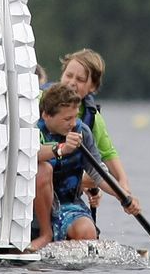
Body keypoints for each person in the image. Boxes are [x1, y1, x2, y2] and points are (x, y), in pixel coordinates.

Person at [30, 82, 141, 251]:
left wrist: (123, 196)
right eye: (67, 119)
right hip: (34, 208)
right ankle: (46, 235)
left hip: (68, 204)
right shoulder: (32, 131)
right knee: (44, 168)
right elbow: (30, 155)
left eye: (75, 117)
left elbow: (99, 174)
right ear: (46, 116)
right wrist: (62, 149)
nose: (73, 123)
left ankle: (61, 245)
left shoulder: (82, 132)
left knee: (87, 232)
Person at [55, 49, 135, 209]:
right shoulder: (41, 100)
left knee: (96, 176)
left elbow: (108, 154)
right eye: (68, 75)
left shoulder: (93, 119)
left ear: (92, 87)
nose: (71, 82)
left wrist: (124, 190)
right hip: (42, 173)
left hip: (65, 179)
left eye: (80, 79)